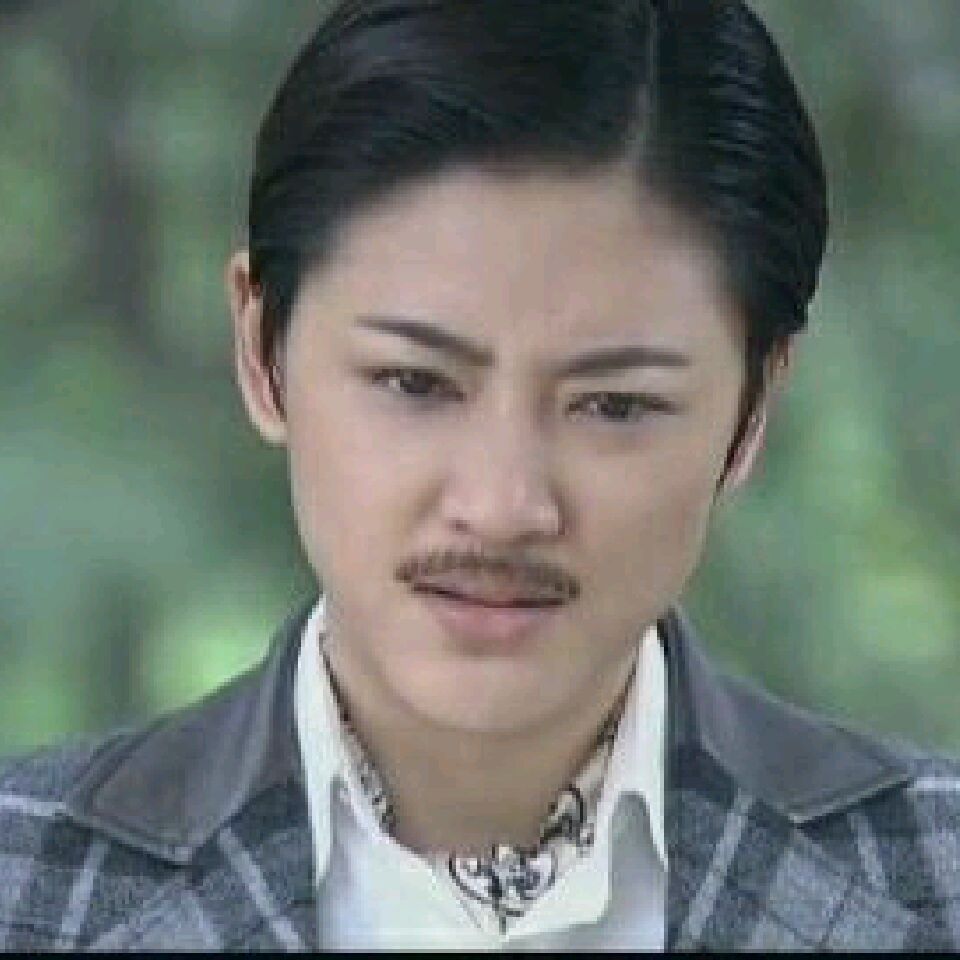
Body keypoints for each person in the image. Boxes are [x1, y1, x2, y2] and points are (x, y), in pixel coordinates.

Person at [1, 0, 958, 951]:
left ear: (752, 411)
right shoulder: (26, 882)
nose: (502, 507)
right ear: (261, 350)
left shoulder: (933, 876)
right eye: (414, 383)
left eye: (615, 405)